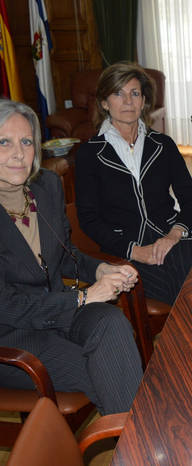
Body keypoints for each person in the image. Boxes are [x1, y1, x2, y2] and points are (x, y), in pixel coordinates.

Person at [0, 99, 142, 414]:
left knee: (112, 324)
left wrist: (102, 270)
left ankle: (141, 440)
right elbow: (6, 306)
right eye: (4, 142)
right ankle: (144, 441)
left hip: (57, 311)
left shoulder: (46, 186)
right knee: (107, 369)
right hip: (10, 336)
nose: (18, 153)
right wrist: (83, 298)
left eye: (26, 141)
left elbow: (65, 257)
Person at [75, 62, 192, 305]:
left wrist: (174, 234)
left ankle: (191, 334)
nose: (128, 101)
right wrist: (136, 251)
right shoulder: (89, 154)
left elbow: (191, 200)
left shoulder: (163, 145)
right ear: (104, 103)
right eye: (118, 94)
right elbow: (89, 220)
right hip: (124, 250)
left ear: (144, 101)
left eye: (134, 93)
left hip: (172, 240)